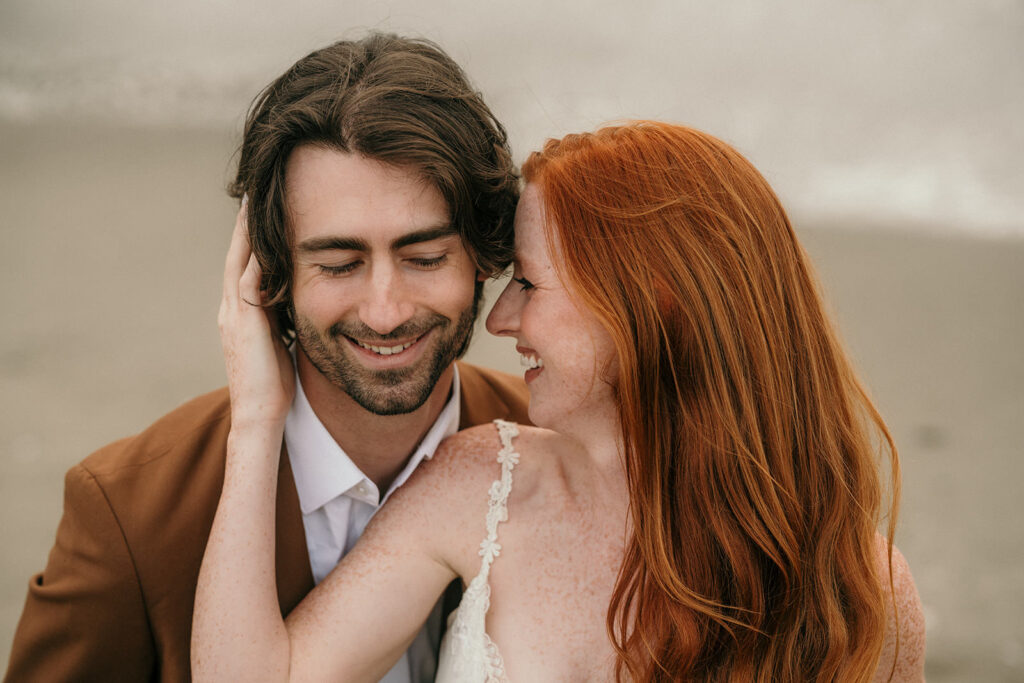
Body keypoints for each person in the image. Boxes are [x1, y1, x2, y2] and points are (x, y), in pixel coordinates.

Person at [194, 121, 926, 681]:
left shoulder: (861, 589)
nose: (501, 320)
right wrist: (256, 417)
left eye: (529, 283)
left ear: (646, 304)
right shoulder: (481, 484)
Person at [5, 33, 530, 682]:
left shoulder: (562, 449)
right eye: (338, 264)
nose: (385, 311)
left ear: (483, 255)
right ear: (269, 273)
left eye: (424, 257)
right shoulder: (128, 514)